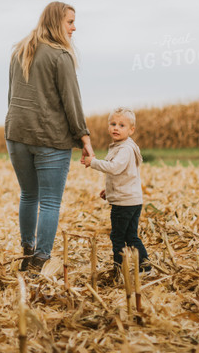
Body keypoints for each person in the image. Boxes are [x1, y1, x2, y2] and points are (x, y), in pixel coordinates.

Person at [5, 1, 95, 273]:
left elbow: (12, 97)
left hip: (16, 134)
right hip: (49, 138)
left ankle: (27, 251)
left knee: (28, 196)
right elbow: (72, 101)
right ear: (57, 22)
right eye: (70, 22)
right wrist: (84, 137)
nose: (74, 28)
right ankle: (41, 260)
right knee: (51, 202)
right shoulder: (60, 56)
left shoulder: (20, 50)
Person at [81, 107, 150, 273]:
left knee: (118, 237)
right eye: (113, 124)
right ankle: (145, 267)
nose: (116, 128)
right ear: (108, 127)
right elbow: (123, 174)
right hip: (132, 200)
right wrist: (108, 190)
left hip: (124, 203)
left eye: (122, 125)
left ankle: (119, 270)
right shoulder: (123, 146)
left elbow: (114, 168)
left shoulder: (125, 149)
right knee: (131, 236)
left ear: (131, 130)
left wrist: (93, 162)